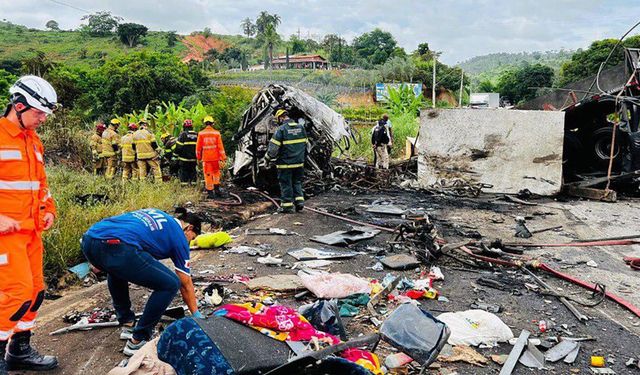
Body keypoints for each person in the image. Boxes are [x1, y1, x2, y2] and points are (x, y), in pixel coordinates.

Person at [81, 208, 204, 357]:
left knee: (117, 269)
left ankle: (127, 324)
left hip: (90, 239)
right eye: (192, 237)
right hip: (118, 245)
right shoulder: (179, 236)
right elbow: (185, 283)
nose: (189, 242)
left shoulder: (158, 213)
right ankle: (138, 340)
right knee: (170, 284)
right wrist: (196, 314)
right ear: (189, 228)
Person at [0, 75, 59, 372]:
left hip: (31, 231)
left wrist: (49, 209)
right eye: (38, 113)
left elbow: (40, 183)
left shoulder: (33, 141)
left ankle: (19, 350)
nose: (43, 119)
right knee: (16, 293)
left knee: (36, 291)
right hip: (5, 236)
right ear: (19, 106)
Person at [264, 109, 307, 213]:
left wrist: (267, 159)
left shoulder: (281, 130)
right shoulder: (301, 128)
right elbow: (306, 145)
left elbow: (273, 149)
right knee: (297, 182)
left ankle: (287, 206)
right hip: (299, 163)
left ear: (281, 118)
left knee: (286, 184)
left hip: (285, 164)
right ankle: (299, 203)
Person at [196, 116, 226, 198]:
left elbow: (198, 148)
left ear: (205, 123)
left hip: (206, 158)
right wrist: (223, 158)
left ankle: (210, 193)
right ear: (213, 123)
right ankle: (217, 190)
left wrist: (198, 157)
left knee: (208, 174)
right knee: (216, 173)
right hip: (216, 158)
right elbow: (220, 147)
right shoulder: (217, 133)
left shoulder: (201, 133)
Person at [174, 119, 198, 185]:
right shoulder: (196, 134)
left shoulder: (183, 134)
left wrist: (175, 156)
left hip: (184, 159)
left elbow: (178, 147)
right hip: (194, 158)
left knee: (184, 172)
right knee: (193, 171)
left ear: (184, 126)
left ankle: (184, 186)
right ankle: (193, 185)